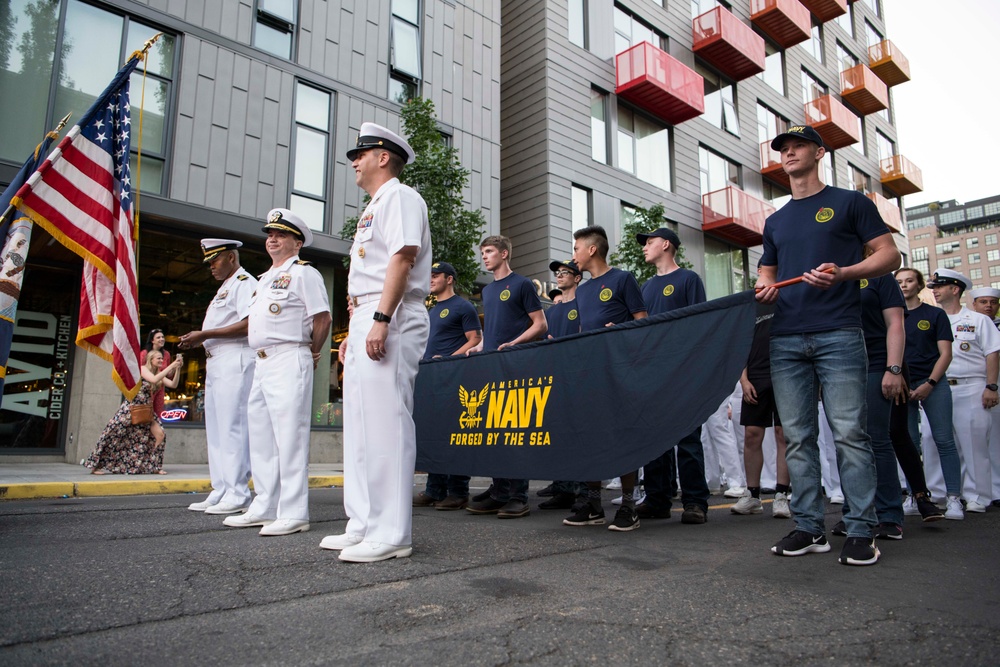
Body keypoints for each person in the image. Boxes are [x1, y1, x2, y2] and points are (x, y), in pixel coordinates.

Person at [756, 125, 900, 566]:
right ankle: (809, 526)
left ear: (819, 152)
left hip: (838, 331)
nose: (789, 153)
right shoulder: (775, 219)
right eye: (783, 148)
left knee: (850, 435)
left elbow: (889, 255)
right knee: (797, 438)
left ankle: (860, 529)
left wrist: (844, 273)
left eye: (798, 145)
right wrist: (767, 288)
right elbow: (766, 272)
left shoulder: (850, 202)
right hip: (785, 337)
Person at [321, 123, 429, 563]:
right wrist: (356, 328)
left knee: (387, 423)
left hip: (394, 312)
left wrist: (382, 319)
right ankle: (363, 523)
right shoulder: (375, 206)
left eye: (360, 153)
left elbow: (403, 257)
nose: (354, 160)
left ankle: (391, 533)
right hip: (370, 313)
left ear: (383, 156)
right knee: (362, 430)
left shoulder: (401, 196)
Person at [223, 208, 331, 537]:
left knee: (289, 438)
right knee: (262, 438)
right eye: (270, 234)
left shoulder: (304, 274)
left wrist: (312, 351)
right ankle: (265, 504)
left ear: (297, 243)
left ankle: (294, 511)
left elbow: (323, 318)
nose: (273, 239)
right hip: (262, 361)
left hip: (288, 356)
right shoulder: (265, 279)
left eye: (281, 235)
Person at [563, 225, 647, 531]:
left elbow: (643, 323)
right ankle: (593, 504)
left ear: (591, 250)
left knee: (622, 434)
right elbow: (585, 332)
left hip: (620, 371)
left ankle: (628, 506)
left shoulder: (622, 279)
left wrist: (620, 333)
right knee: (590, 435)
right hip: (590, 372)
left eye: (576, 249)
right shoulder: (582, 289)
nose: (573, 255)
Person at [464, 235, 547, 519]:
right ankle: (499, 491)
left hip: (516, 366)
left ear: (504, 254)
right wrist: (479, 345)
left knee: (514, 430)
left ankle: (519, 496)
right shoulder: (487, 291)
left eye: (488, 251)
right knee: (493, 433)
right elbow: (494, 329)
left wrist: (514, 343)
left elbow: (541, 324)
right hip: (491, 367)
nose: (484, 256)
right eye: (482, 252)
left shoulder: (522, 285)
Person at [634, 227, 711, 526]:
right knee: (654, 438)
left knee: (688, 437)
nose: (645, 247)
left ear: (666, 245)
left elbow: (698, 324)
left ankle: (695, 501)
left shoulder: (688, 279)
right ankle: (657, 498)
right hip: (653, 372)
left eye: (649, 242)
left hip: (683, 370)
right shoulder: (646, 287)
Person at [178, 239, 258, 514]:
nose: (211, 266)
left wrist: (206, 334)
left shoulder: (245, 282)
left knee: (232, 427)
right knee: (216, 429)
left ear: (231, 258)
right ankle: (222, 488)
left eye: (215, 260)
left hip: (235, 359)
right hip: (216, 361)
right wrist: (200, 339)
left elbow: (251, 324)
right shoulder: (226, 287)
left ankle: (237, 493)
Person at [828, 272, 907, 540]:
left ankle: (889, 515)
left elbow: (895, 323)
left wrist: (893, 368)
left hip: (875, 364)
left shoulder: (880, 276)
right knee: (846, 440)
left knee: (876, 438)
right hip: (839, 366)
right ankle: (855, 512)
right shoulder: (830, 270)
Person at [927, 268, 1000, 513]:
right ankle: (937, 492)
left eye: (939, 286)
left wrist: (991, 386)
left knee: (973, 442)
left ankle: (977, 495)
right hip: (937, 386)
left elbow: (992, 352)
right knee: (932, 440)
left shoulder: (979, 320)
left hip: (971, 385)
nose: (934, 291)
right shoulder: (933, 318)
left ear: (955, 289)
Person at [895, 267, 965, 520]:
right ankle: (916, 495)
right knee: (909, 444)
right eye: (899, 281)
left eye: (909, 280)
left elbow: (946, 353)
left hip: (932, 383)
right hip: (901, 385)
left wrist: (930, 383)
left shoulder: (934, 314)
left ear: (920, 284)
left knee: (944, 441)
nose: (904, 285)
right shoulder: (891, 315)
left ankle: (954, 498)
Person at [412, 261, 481, 511]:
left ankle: (458, 491)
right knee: (435, 434)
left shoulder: (463, 306)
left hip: (453, 378)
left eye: (436, 275)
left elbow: (475, 339)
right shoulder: (429, 309)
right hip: (431, 378)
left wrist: (450, 358)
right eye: (429, 275)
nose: (430, 279)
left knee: (455, 434)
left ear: (449, 279)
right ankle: (435, 489)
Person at [732, 303, 792, 519]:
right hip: (756, 376)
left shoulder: (789, 299)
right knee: (752, 435)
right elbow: (741, 345)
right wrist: (744, 379)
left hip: (787, 372)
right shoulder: (750, 306)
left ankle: (782, 495)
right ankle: (753, 496)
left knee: (783, 434)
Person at [84, 350, 182, 475]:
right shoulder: (143, 369)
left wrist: (177, 368)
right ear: (151, 359)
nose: (161, 361)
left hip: (146, 409)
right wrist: (172, 365)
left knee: (160, 435)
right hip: (132, 406)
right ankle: (95, 465)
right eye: (158, 358)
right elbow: (153, 379)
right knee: (113, 433)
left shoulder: (158, 373)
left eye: (162, 359)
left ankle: (155, 466)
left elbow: (173, 384)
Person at [538, 259, 583, 511]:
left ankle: (574, 487)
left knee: (574, 432)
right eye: (557, 273)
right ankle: (562, 485)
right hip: (554, 376)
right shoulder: (551, 311)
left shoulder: (583, 304)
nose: (559, 276)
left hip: (576, 374)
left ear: (577, 278)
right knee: (557, 432)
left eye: (565, 272)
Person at [969, 286, 1000, 505]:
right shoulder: (969, 324)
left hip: (994, 384)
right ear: (974, 304)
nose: (988, 306)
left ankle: (996, 490)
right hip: (981, 384)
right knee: (981, 441)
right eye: (983, 302)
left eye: (993, 302)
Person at [140, 329, 177, 419]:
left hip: (160, 387)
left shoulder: (166, 354)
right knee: (145, 413)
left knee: (157, 414)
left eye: (163, 337)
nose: (161, 339)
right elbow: (140, 371)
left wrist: (174, 369)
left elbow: (168, 375)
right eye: (158, 337)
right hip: (147, 387)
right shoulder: (144, 353)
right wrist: (171, 366)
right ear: (152, 340)